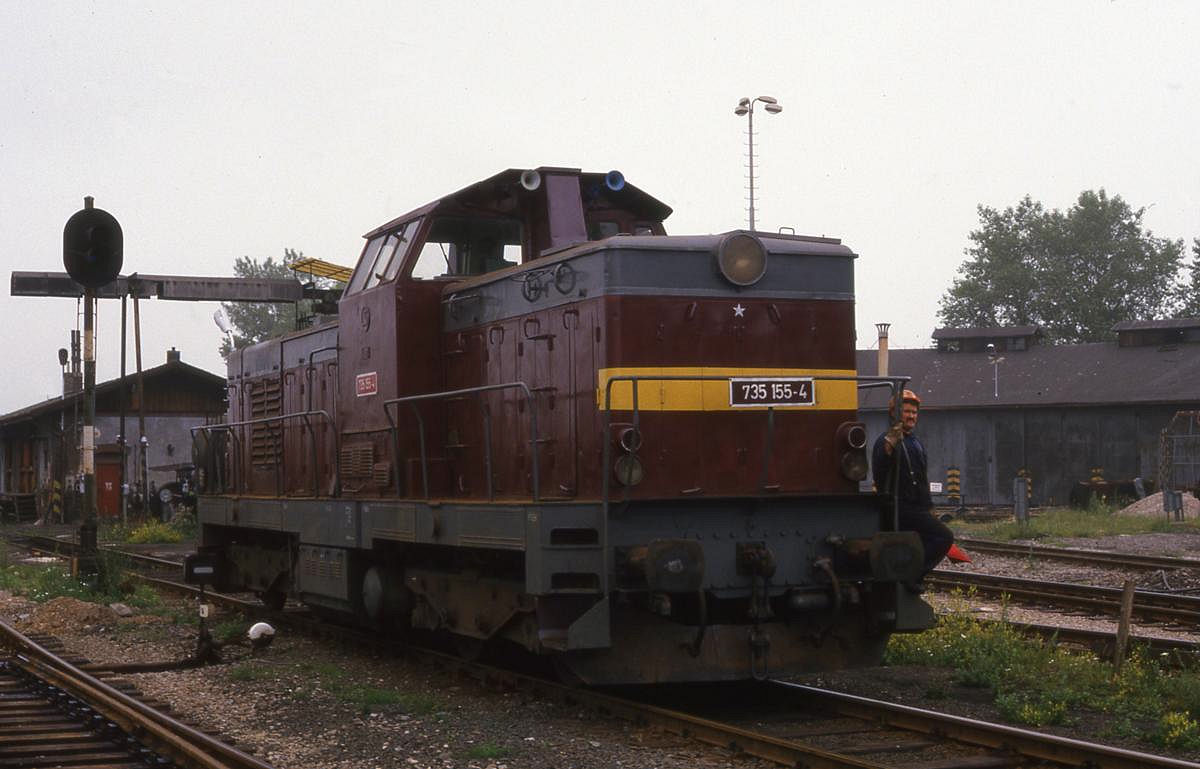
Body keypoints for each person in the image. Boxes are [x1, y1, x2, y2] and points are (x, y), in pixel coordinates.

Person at [871, 389, 954, 592]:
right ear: (894, 414)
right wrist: (890, 443)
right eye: (906, 411)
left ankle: (908, 571)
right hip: (900, 507)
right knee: (944, 537)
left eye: (914, 412)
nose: (911, 416)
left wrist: (929, 507)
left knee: (935, 537)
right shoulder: (886, 441)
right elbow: (880, 466)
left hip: (917, 507)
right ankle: (912, 575)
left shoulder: (915, 443)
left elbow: (921, 479)